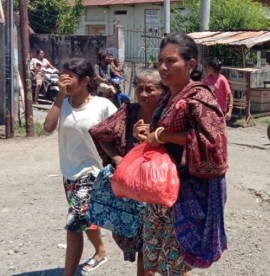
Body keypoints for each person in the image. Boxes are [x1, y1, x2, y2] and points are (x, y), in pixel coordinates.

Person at [137, 32, 228, 276]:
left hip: (186, 192)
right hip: (161, 190)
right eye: (160, 61)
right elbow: (162, 134)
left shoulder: (199, 96)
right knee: (153, 256)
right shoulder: (168, 97)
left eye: (170, 61)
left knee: (176, 263)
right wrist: (148, 133)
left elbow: (212, 142)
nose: (163, 67)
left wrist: (163, 136)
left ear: (191, 65)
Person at [43, 58, 117, 276]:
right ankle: (101, 250)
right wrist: (60, 95)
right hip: (69, 172)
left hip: (94, 173)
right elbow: (47, 127)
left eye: (69, 76)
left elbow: (118, 133)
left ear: (85, 80)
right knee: (84, 216)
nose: (64, 79)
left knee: (74, 222)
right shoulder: (63, 104)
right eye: (62, 75)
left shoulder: (102, 105)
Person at [89, 70, 165, 276]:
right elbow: (100, 133)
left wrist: (153, 139)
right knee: (144, 249)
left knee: (169, 253)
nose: (143, 94)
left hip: (164, 194)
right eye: (139, 89)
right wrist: (116, 158)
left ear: (162, 91)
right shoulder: (128, 112)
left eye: (150, 89)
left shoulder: (169, 113)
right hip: (136, 196)